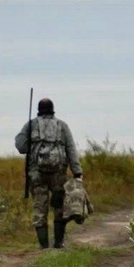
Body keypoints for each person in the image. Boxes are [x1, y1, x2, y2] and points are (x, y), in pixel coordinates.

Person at [15, 97, 83, 249]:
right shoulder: (62, 125)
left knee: (40, 208)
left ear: (39, 110)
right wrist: (77, 172)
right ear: (53, 109)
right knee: (59, 207)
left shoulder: (31, 125)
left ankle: (44, 246)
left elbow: (21, 147)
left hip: (36, 174)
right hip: (59, 173)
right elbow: (71, 149)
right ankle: (58, 243)